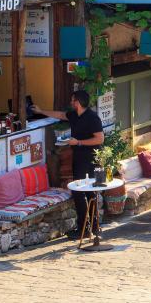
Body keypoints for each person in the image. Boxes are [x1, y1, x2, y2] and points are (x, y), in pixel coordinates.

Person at [34, 91, 104, 240]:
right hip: (79, 157)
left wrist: (78, 142)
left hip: (91, 158)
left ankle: (87, 228)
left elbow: (99, 139)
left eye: (73, 101)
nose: (71, 103)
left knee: (84, 192)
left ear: (77, 102)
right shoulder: (74, 115)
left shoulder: (92, 117)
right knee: (81, 192)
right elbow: (60, 115)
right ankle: (90, 227)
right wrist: (41, 111)